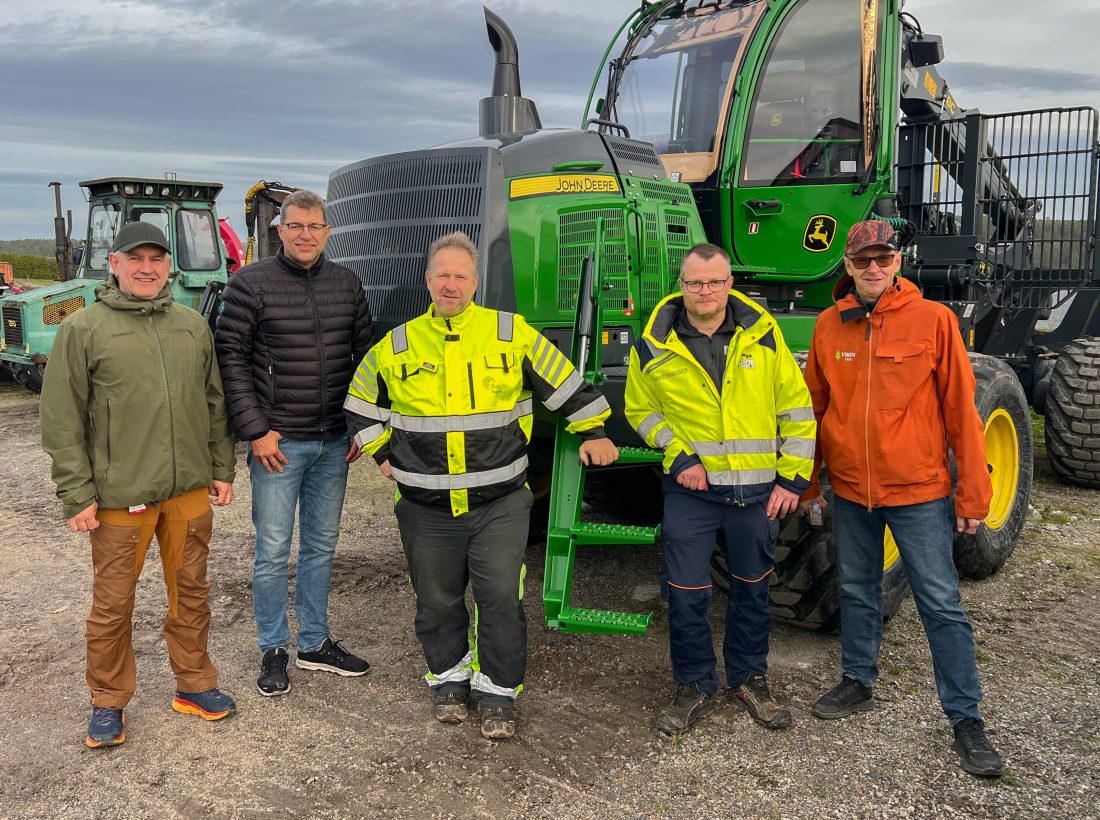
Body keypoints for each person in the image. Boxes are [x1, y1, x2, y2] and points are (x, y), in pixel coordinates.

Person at [344, 231, 618, 740]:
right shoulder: (397, 344)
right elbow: (360, 404)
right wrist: (382, 455)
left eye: (461, 276)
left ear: (476, 282)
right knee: (437, 597)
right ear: (428, 280)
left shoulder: (509, 333)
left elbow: (565, 383)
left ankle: (497, 690)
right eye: (442, 275)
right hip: (425, 507)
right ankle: (449, 681)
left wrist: (594, 431)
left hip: (500, 503)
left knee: (498, 596)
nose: (451, 284)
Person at [798, 220, 1003, 777]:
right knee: (857, 590)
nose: (873, 268)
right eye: (863, 260)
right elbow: (813, 413)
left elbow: (962, 412)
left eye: (882, 258)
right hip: (851, 490)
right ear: (847, 266)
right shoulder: (827, 326)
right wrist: (810, 484)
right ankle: (857, 679)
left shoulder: (934, 322)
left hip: (918, 492)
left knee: (940, 601)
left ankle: (966, 718)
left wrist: (972, 495)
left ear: (897, 263)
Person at [41, 222, 238, 748]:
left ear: (168, 265)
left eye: (156, 258)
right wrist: (76, 493)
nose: (147, 267)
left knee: (192, 594)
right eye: (136, 259)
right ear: (115, 265)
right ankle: (108, 701)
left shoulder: (192, 326)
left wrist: (222, 469)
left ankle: (194, 685)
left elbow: (214, 403)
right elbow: (61, 419)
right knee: (113, 604)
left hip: (188, 490)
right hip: (118, 495)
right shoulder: (84, 330)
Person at [624, 243, 815, 735]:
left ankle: (750, 679)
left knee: (753, 593)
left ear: (730, 284)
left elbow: (796, 410)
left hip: (756, 495)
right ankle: (695, 686)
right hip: (692, 494)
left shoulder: (764, 336)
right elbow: (641, 411)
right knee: (685, 593)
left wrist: (793, 478)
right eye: (694, 282)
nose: (704, 291)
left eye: (714, 281)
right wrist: (678, 453)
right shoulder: (653, 345)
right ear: (681, 284)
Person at [215, 189, 375, 697]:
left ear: (328, 232)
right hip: (278, 445)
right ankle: (274, 647)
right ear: (279, 230)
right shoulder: (250, 283)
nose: (306, 234)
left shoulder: (347, 285)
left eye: (316, 226)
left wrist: (358, 426)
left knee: (322, 548)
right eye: (296, 225)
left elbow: (366, 360)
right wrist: (255, 430)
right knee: (272, 549)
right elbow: (230, 359)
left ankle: (314, 641)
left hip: (333, 443)